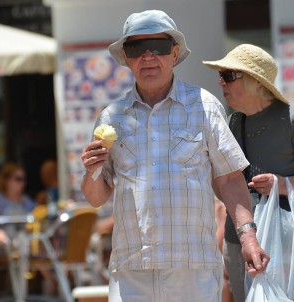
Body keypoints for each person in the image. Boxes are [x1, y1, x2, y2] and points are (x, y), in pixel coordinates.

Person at [80, 10, 268, 302]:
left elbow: (230, 180)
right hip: (133, 270)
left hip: (192, 267)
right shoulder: (111, 117)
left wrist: (248, 237)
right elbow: (95, 197)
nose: (148, 56)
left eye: (159, 46)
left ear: (175, 53)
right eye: (136, 49)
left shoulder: (204, 106)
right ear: (126, 58)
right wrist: (92, 169)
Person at [203, 44, 294, 301]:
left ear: (256, 81)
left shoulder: (293, 120)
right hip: (239, 242)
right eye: (220, 75)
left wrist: (281, 184)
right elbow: (221, 186)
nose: (221, 82)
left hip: (285, 243)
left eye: (229, 75)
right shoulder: (233, 122)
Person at [0, 162, 35, 246]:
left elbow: (36, 219)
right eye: (18, 179)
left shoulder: (26, 201)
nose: (22, 183)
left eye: (24, 179)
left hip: (25, 244)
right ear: (6, 180)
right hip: (3, 245)